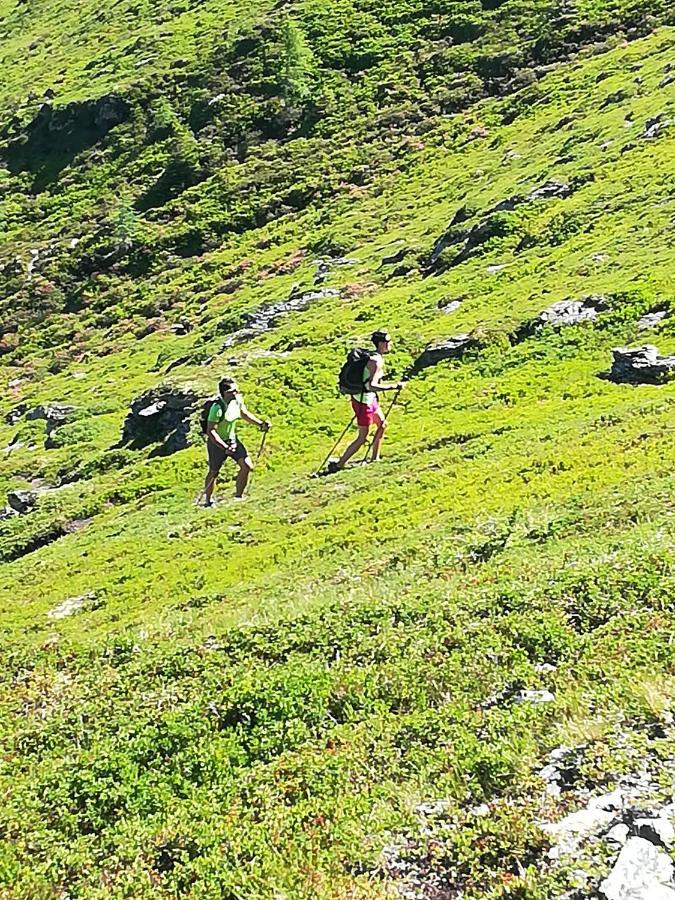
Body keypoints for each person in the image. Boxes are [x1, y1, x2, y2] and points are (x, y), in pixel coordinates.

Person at [328, 330, 403, 473]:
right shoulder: (375, 361)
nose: (390, 344)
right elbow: (371, 385)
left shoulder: (374, 357)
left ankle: (375, 458)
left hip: (369, 398)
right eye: (388, 342)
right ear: (381, 344)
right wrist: (394, 386)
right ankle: (339, 465)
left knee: (382, 425)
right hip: (363, 401)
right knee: (362, 437)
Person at [204, 377, 270, 505]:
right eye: (233, 391)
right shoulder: (217, 408)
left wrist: (260, 424)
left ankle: (238, 497)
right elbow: (211, 431)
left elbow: (244, 414)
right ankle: (208, 500)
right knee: (214, 471)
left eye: (237, 390)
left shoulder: (237, 401)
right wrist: (224, 447)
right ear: (224, 393)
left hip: (232, 440)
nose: (236, 393)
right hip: (217, 444)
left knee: (246, 466)